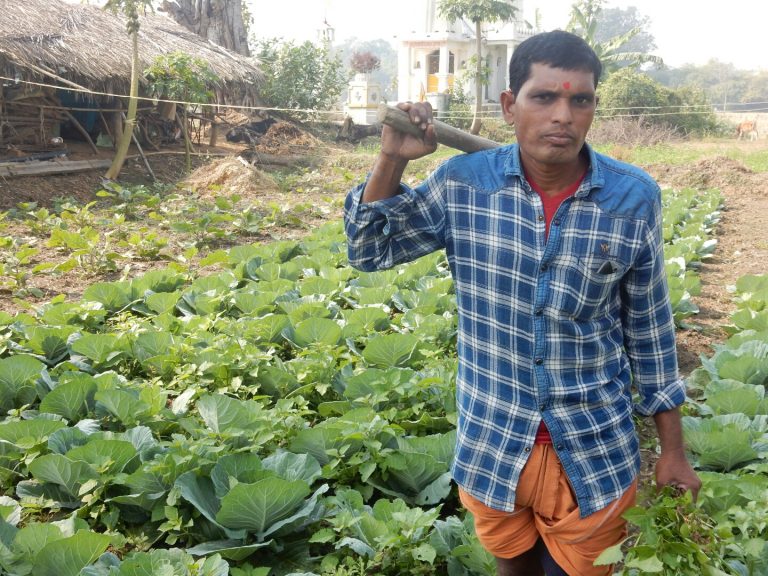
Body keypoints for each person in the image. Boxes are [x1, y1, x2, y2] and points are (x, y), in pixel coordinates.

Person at [344, 30, 700, 576]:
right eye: (544, 97)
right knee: (511, 568)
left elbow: (649, 334)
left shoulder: (631, 198)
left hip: (593, 449)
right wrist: (392, 159)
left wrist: (672, 451)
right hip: (494, 442)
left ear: (592, 109)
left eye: (579, 100)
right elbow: (369, 250)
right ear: (511, 105)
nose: (563, 115)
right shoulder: (465, 184)